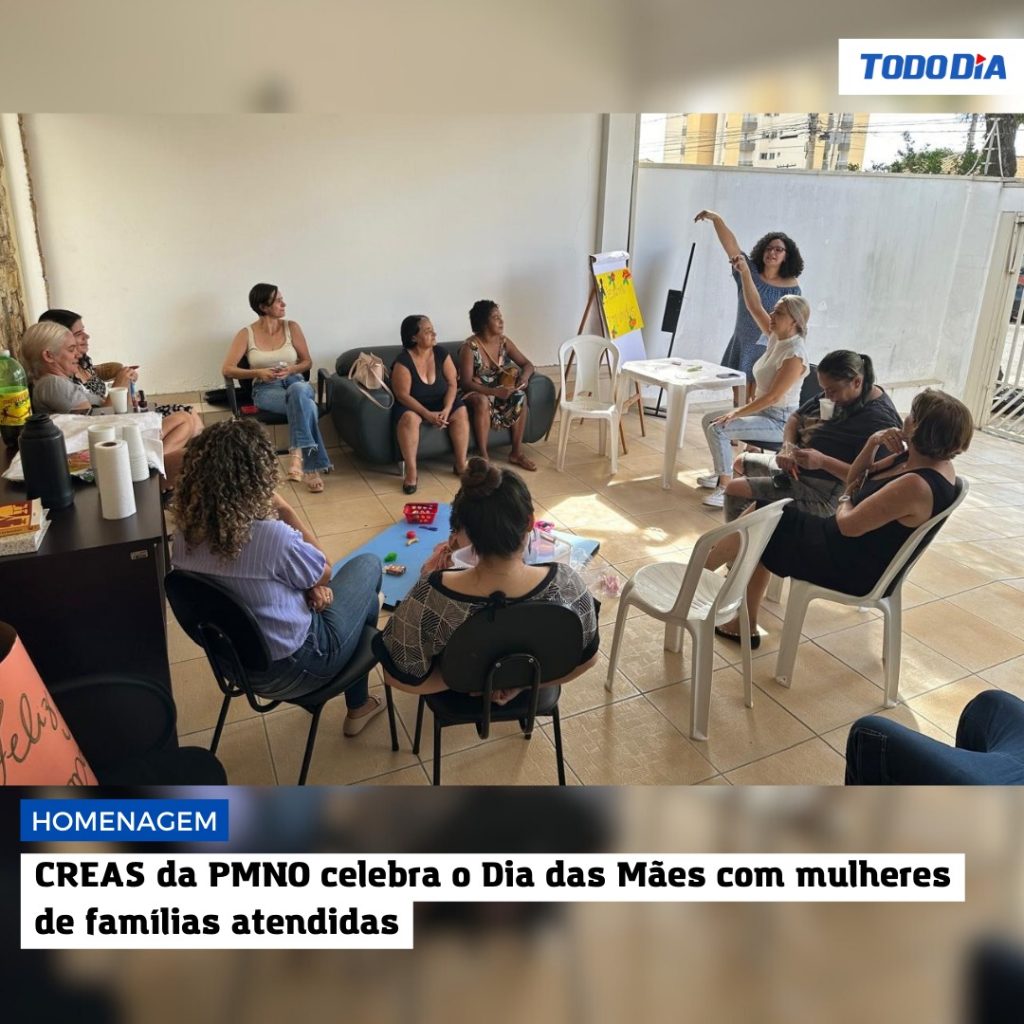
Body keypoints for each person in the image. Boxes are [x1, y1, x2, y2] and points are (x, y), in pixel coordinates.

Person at [705, 389, 973, 649]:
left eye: (912, 415)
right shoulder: (918, 459)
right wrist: (873, 442)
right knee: (768, 515)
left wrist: (846, 497)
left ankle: (702, 579)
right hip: (854, 545)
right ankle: (730, 604)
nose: (905, 418)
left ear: (920, 430)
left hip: (852, 565)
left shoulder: (915, 484)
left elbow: (847, 523)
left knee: (766, 520)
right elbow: (858, 476)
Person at [171, 418, 386, 734]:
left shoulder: (183, 537)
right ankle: (358, 704)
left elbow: (246, 587)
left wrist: (308, 588)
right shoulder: (271, 538)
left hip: (235, 667)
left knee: (344, 597)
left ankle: (358, 700)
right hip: (300, 668)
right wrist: (285, 509)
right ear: (259, 476)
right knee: (368, 566)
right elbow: (325, 570)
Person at [375, 457, 599, 700]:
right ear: (530, 522)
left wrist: (471, 681)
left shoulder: (432, 595)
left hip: (457, 694)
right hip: (531, 686)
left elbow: (395, 676)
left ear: (462, 534)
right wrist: (522, 685)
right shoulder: (567, 584)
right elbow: (587, 660)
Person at [721, 351, 903, 522]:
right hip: (798, 470)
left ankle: (743, 539)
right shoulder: (838, 394)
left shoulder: (879, 421)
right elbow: (795, 418)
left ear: (857, 382)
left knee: (735, 489)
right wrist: (788, 448)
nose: (827, 396)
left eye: (832, 391)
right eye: (824, 389)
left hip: (827, 491)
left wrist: (823, 462)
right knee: (740, 462)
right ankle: (754, 531)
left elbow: (869, 480)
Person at [18, 322, 201, 487]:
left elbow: (114, 413)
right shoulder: (53, 384)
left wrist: (126, 388)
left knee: (184, 421)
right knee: (183, 421)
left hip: (107, 437)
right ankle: (151, 472)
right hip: (99, 445)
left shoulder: (59, 381)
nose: (78, 354)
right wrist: (120, 383)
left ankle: (153, 468)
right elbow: (93, 421)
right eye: (71, 349)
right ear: (49, 356)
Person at [698, 254, 810, 508]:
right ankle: (722, 471)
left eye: (778, 312)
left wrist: (737, 412)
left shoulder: (795, 354)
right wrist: (745, 273)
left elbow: (773, 397)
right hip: (763, 413)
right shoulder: (776, 337)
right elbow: (754, 306)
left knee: (718, 427)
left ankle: (726, 487)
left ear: (794, 321)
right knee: (709, 420)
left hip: (780, 421)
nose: (772, 314)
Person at [222, 283, 330, 493]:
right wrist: (258, 372)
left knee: (298, 390)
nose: (284, 304)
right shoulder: (246, 334)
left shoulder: (292, 327)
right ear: (263, 307)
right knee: (306, 405)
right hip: (265, 388)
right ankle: (308, 465)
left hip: (295, 380)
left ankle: (298, 457)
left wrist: (291, 369)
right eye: (278, 301)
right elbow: (227, 369)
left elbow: (307, 362)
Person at [694, 210, 804, 404]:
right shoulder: (748, 270)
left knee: (757, 397)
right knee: (739, 398)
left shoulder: (792, 287)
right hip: (743, 344)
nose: (772, 252)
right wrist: (716, 218)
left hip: (769, 347)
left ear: (787, 256)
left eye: (778, 249)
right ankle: (736, 421)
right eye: (769, 248)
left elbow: (793, 320)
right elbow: (731, 246)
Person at [38, 308, 197, 417]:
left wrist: (123, 376)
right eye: (78, 334)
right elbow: (96, 420)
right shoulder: (60, 378)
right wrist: (120, 384)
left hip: (119, 414)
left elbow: (99, 376)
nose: (87, 337)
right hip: (113, 420)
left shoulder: (81, 363)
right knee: (185, 417)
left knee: (189, 414)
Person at [392, 315, 470, 495]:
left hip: (442, 401)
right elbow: (402, 395)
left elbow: (452, 384)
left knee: (461, 411)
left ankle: (460, 464)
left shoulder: (441, 353)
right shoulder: (403, 361)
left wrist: (447, 409)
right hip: (413, 404)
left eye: (433, 329)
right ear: (414, 337)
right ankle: (412, 473)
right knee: (409, 419)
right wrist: (427, 414)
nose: (434, 334)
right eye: (428, 331)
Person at [459, 300, 537, 472]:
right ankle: (483, 455)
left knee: (520, 396)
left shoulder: (504, 342)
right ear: (483, 322)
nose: (501, 321)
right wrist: (493, 392)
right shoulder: (469, 348)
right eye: (496, 318)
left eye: (500, 317)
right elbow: (465, 383)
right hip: (475, 391)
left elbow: (528, 364)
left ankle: (516, 452)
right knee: (482, 401)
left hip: (499, 391)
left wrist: (524, 378)